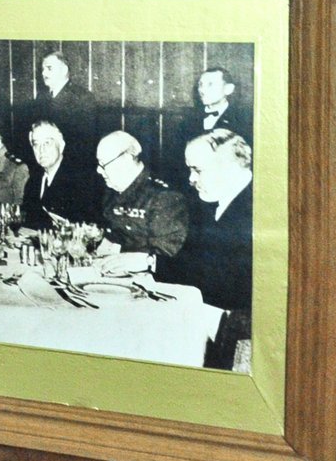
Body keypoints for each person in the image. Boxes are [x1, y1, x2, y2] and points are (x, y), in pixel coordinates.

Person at [171, 130, 254, 358]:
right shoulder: (213, 202)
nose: (191, 179)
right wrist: (147, 262)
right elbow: (191, 261)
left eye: (197, 170)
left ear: (230, 166)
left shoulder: (257, 211)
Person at [96, 129, 188, 270]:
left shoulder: (163, 196)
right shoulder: (112, 189)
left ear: (126, 158)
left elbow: (167, 255)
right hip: (116, 273)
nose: (98, 170)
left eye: (103, 164)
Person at [20, 119, 102, 228]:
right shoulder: (33, 181)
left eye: (47, 143)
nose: (41, 150)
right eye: (36, 144)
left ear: (61, 145)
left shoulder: (82, 180)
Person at [30, 49, 101, 148]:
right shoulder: (41, 98)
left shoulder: (82, 97)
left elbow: (87, 141)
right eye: (43, 69)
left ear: (64, 70)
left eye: (49, 68)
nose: (43, 73)